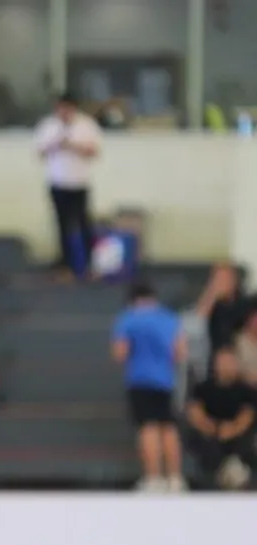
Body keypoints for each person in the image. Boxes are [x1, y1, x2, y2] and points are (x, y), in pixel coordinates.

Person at [111, 281, 187, 493]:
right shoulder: (169, 318)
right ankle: (175, 478)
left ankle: (153, 477)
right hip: (165, 380)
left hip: (140, 380)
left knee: (148, 427)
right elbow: (180, 352)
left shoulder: (128, 318)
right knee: (168, 427)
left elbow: (120, 353)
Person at [34, 92, 102, 279]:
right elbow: (40, 152)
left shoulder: (86, 125)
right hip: (58, 182)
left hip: (79, 183)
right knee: (61, 225)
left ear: (73, 108)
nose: (63, 112)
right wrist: (56, 143)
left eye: (67, 108)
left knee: (83, 224)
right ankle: (66, 265)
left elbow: (94, 152)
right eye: (60, 108)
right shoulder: (48, 125)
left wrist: (72, 145)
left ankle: (89, 264)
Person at [187, 346, 255, 489]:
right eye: (222, 362)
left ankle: (237, 474)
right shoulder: (203, 388)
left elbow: (247, 416)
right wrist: (212, 429)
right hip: (210, 433)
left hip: (239, 434)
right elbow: (195, 412)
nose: (226, 366)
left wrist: (231, 430)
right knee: (204, 444)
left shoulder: (246, 390)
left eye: (229, 361)